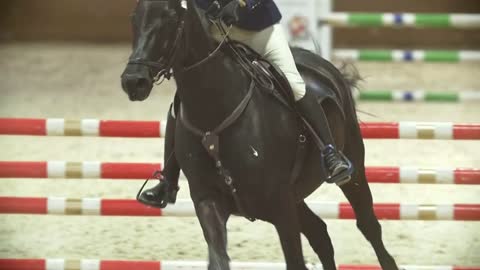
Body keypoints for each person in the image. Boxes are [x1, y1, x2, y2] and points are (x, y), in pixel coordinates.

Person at [138, 0, 353, 208]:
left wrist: (242, 4)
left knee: (295, 84)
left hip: (259, 31)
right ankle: (168, 181)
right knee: (185, 95)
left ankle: (330, 153)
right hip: (217, 32)